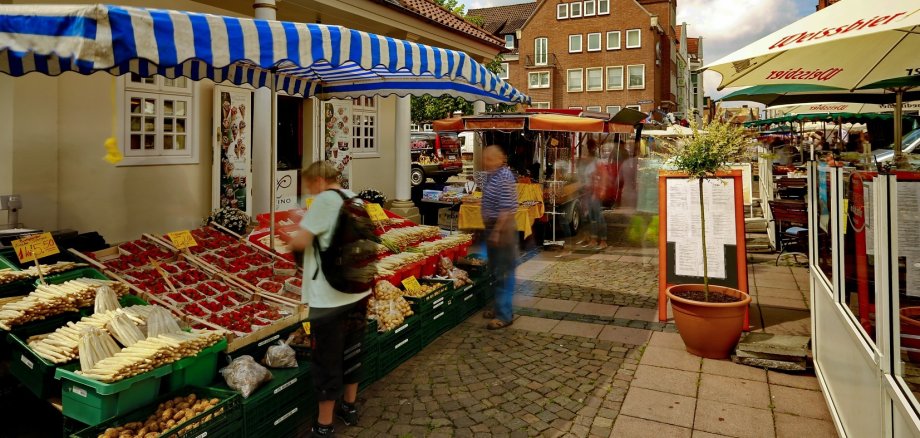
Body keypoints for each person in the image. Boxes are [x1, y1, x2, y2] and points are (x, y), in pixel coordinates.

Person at [284, 161, 369, 438]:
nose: (309, 191)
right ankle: (350, 406)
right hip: (358, 288)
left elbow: (301, 242)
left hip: (330, 296)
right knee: (353, 350)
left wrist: (288, 235)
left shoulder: (325, 202)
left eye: (310, 185)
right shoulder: (354, 198)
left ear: (320, 180)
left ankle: (323, 424)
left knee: (327, 358)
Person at [480, 145, 519, 330]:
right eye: (484, 158)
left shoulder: (504, 176)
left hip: (502, 229)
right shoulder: (491, 175)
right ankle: (498, 307)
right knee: (495, 271)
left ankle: (505, 315)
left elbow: (506, 208)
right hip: (492, 227)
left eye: (488, 159)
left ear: (499, 159)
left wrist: (496, 231)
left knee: (503, 272)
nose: (484, 162)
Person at [576, 141, 608, 250]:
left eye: (587, 148)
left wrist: (600, 191)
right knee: (592, 217)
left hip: (596, 192)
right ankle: (594, 239)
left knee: (598, 216)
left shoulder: (597, 162)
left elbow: (603, 177)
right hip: (588, 192)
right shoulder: (587, 162)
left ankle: (603, 240)